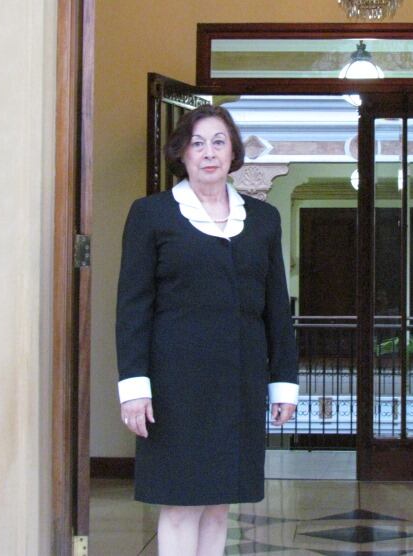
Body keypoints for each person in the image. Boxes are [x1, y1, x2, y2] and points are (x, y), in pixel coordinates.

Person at [115, 104, 298, 556]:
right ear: (182, 153)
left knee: (219, 504)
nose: (209, 153)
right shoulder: (151, 214)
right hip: (174, 385)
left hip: (239, 383)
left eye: (219, 142)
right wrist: (134, 387)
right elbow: (133, 306)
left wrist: (284, 382)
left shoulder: (263, 219)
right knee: (181, 504)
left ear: (233, 152)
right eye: (197, 144)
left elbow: (277, 306)